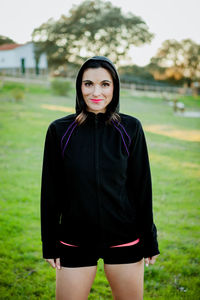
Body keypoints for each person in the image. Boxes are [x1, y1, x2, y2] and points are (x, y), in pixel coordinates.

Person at [40, 56, 160, 300]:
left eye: (105, 84)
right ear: (79, 87)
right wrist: (50, 242)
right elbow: (51, 192)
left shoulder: (131, 128)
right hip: (74, 240)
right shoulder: (59, 130)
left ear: (114, 88)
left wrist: (149, 238)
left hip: (124, 238)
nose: (96, 92)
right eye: (88, 84)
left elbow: (141, 187)